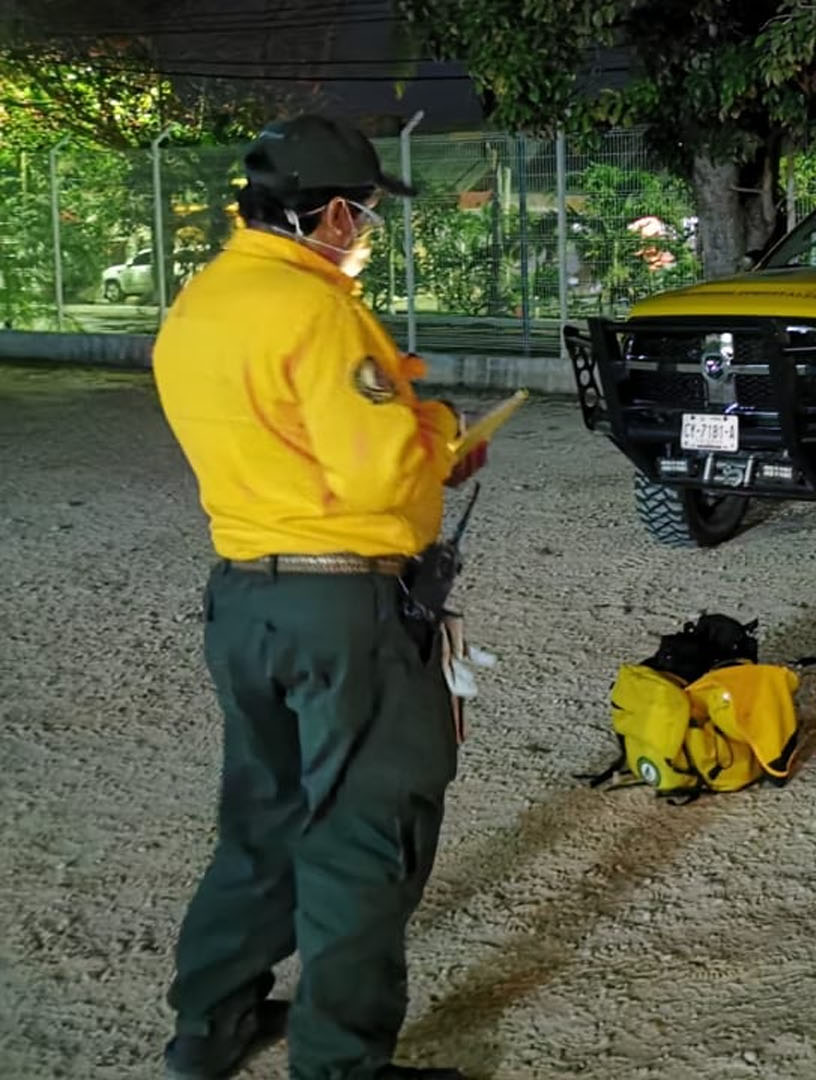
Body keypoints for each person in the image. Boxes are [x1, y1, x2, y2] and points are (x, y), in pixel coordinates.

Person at [150, 115, 485, 1080]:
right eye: (367, 213)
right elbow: (381, 469)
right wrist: (443, 435)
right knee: (365, 833)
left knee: (262, 818)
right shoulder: (318, 310)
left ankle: (210, 1026)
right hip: (346, 611)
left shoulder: (202, 302)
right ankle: (339, 1064)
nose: (368, 231)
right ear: (334, 213)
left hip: (244, 600)